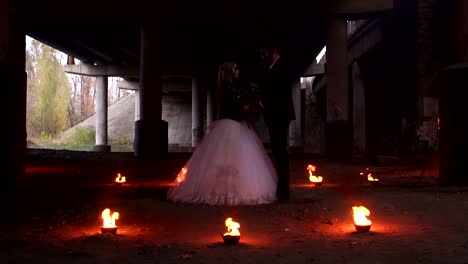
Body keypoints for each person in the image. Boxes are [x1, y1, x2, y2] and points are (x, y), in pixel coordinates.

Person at [167, 62, 277, 206]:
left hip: (236, 124)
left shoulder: (233, 87)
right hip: (230, 125)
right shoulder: (226, 87)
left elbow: (240, 105)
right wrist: (245, 105)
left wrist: (248, 100)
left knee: (236, 160)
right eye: (235, 69)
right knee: (226, 159)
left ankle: (232, 189)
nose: (237, 71)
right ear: (229, 72)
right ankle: (223, 191)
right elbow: (233, 107)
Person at [259, 44, 295, 201]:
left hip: (279, 116)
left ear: (273, 51)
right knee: (279, 152)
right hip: (278, 115)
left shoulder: (280, 67)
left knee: (280, 153)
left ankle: (283, 192)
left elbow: (278, 94)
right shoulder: (277, 67)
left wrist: (264, 103)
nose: (262, 57)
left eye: (264, 53)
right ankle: (282, 191)